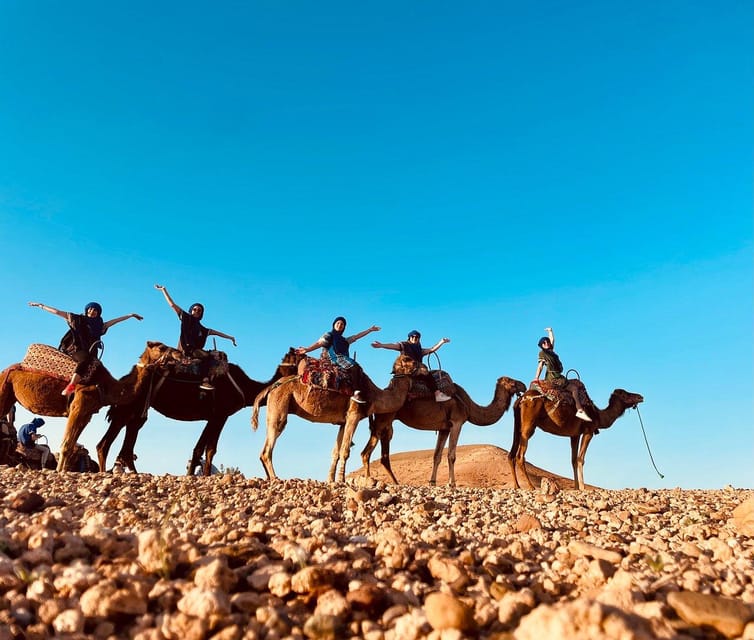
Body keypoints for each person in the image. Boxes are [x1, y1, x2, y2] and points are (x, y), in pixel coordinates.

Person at [29, 301, 143, 395]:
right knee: (86, 359)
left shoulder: (99, 325)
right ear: (87, 310)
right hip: (76, 350)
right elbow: (57, 312)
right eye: (91, 309)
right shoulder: (77, 319)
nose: (92, 311)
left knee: (98, 369)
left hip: (92, 352)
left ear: (98, 313)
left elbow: (114, 321)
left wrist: (130, 315)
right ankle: (72, 385)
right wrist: (41, 306)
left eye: (95, 310)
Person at [154, 284, 237, 390]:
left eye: (199, 310)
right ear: (191, 310)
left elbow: (217, 333)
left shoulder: (202, 329)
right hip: (189, 350)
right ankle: (205, 380)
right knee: (207, 356)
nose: (196, 311)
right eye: (195, 309)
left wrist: (230, 338)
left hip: (195, 350)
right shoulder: (186, 318)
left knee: (212, 356)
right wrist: (163, 290)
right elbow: (172, 305)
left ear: (202, 313)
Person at [296, 317, 380, 403]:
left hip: (343, 359)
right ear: (334, 325)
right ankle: (356, 392)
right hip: (333, 358)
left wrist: (369, 330)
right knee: (354, 366)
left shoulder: (345, 340)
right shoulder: (329, 335)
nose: (340, 325)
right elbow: (320, 343)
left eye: (342, 324)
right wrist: (308, 349)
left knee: (358, 371)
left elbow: (357, 336)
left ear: (344, 327)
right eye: (338, 323)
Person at [371, 330, 452, 402]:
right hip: (406, 370)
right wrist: (381, 345)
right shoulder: (404, 345)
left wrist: (441, 342)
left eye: (417, 337)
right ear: (409, 337)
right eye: (412, 336)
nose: (414, 338)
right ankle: (437, 394)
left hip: (417, 372)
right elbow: (393, 346)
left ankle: (434, 395)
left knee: (429, 375)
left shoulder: (420, 350)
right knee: (428, 375)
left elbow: (432, 350)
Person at [535, 327, 592, 421]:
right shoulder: (542, 354)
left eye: (547, 341)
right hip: (554, 378)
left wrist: (550, 331)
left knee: (575, 386)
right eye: (544, 343)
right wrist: (536, 377)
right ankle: (579, 410)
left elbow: (552, 340)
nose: (546, 343)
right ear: (541, 345)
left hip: (558, 376)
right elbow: (540, 366)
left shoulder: (551, 351)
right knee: (574, 388)